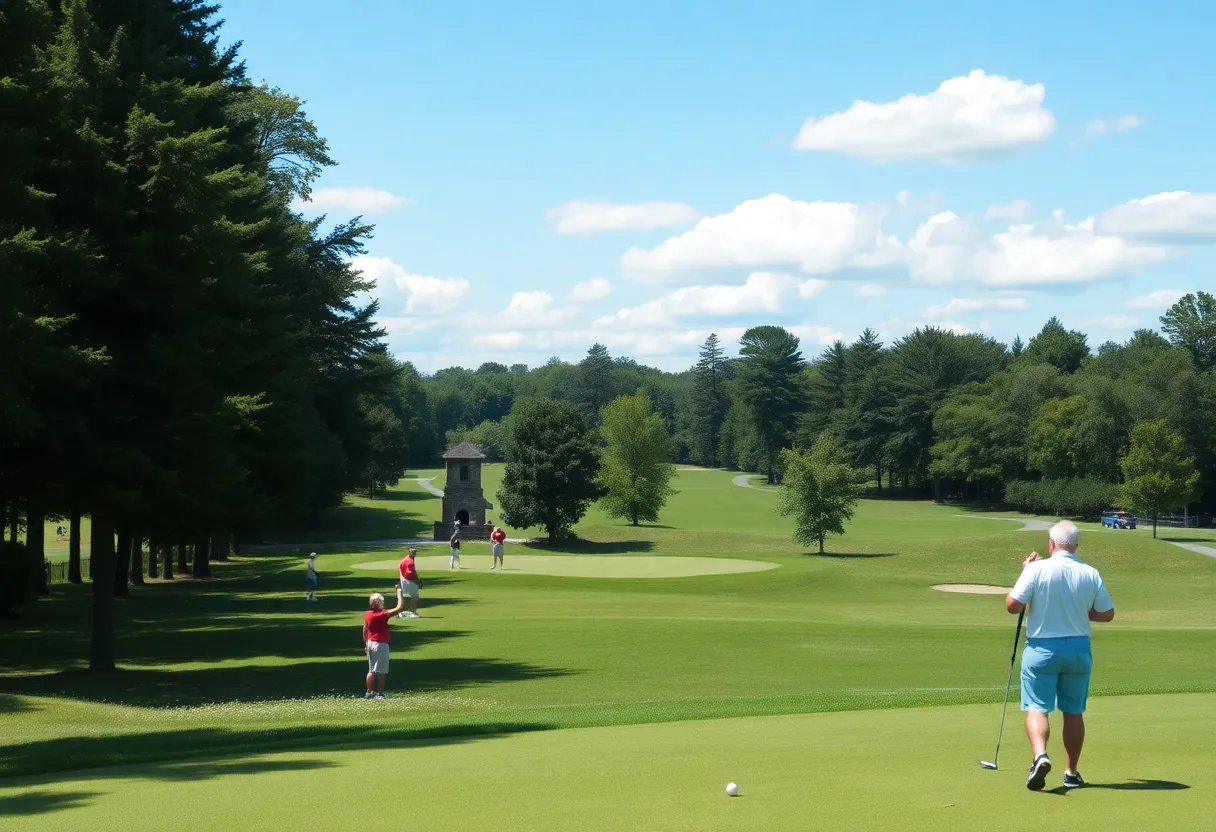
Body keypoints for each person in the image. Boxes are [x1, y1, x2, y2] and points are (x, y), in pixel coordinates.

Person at [1006, 520, 1115, 791]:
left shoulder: (1036, 569)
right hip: (1077, 650)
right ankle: (1071, 773)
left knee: (1037, 707)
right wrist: (1082, 613)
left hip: (1041, 649)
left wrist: (1026, 572)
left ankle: (1040, 756)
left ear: (1051, 544)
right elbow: (1107, 614)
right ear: (1075, 545)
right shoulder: (1090, 572)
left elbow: (1013, 606)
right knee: (1073, 712)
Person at [363, 587, 407, 699]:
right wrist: (399, 592)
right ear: (377, 603)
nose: (383, 603)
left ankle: (369, 692)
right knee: (381, 671)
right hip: (380, 644)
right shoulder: (382, 614)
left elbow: (365, 631)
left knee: (371, 670)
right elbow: (400, 607)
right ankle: (379, 694)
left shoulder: (367, 614)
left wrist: (366, 644)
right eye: (381, 602)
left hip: (370, 643)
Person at [397, 547, 421, 618]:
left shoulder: (405, 559)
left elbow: (400, 567)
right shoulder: (410, 561)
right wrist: (417, 580)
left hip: (404, 579)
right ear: (410, 552)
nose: (414, 554)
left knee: (405, 596)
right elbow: (410, 573)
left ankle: (401, 612)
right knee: (415, 596)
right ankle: (413, 612)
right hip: (409, 580)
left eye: (415, 552)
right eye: (413, 552)